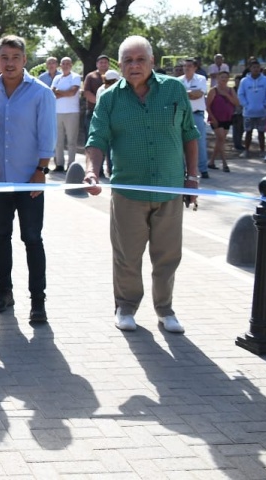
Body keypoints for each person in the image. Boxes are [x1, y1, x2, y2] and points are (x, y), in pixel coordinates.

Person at [83, 35, 198, 334]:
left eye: (140, 59)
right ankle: (126, 307)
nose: (134, 65)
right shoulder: (109, 98)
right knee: (126, 255)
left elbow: (189, 133)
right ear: (119, 66)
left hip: (171, 188)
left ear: (152, 62)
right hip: (128, 191)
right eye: (128, 61)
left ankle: (165, 310)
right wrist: (91, 172)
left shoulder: (173, 90)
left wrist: (193, 177)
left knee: (168, 255)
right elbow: (97, 139)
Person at [0, 35, 56, 324]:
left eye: (15, 57)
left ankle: (38, 301)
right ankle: (4, 291)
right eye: (4, 57)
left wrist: (41, 171)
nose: (10, 63)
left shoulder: (41, 93)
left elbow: (47, 135)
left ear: (25, 60)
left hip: (30, 181)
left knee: (32, 239)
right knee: (0, 237)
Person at [177, 58, 209, 178]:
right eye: (185, 66)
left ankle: (203, 169)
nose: (187, 68)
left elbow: (199, 94)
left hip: (196, 114)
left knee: (200, 142)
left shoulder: (201, 79)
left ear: (195, 67)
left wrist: (185, 93)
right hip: (181, 115)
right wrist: (190, 93)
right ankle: (183, 170)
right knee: (180, 143)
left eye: (190, 66)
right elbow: (179, 97)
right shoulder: (178, 81)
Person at [51, 57, 82, 172]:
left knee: (71, 141)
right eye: (63, 63)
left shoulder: (75, 77)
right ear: (60, 65)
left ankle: (71, 164)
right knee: (58, 141)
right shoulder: (57, 77)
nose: (65, 66)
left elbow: (72, 92)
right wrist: (65, 92)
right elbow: (52, 91)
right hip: (57, 112)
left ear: (71, 65)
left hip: (72, 112)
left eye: (68, 63)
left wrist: (60, 92)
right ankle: (59, 164)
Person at [238, 59, 266, 158]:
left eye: (257, 67)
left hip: (262, 112)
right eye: (254, 67)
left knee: (261, 132)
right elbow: (240, 94)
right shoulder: (244, 81)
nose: (256, 69)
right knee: (248, 132)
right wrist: (246, 105)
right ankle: (246, 151)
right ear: (250, 68)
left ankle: (262, 150)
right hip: (248, 112)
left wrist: (265, 104)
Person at [206, 70, 238, 172]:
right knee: (221, 139)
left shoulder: (230, 90)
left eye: (225, 77)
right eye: (221, 77)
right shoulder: (213, 90)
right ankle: (225, 163)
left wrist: (226, 95)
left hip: (227, 118)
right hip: (215, 118)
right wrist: (213, 118)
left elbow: (237, 103)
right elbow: (207, 106)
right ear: (218, 78)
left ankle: (211, 162)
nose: (223, 79)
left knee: (221, 140)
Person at [82, 55, 110, 135]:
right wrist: (100, 103)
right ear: (97, 64)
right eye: (101, 62)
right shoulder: (91, 76)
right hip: (93, 111)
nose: (103, 64)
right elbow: (86, 92)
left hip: (109, 112)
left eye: (105, 62)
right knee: (91, 134)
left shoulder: (113, 76)